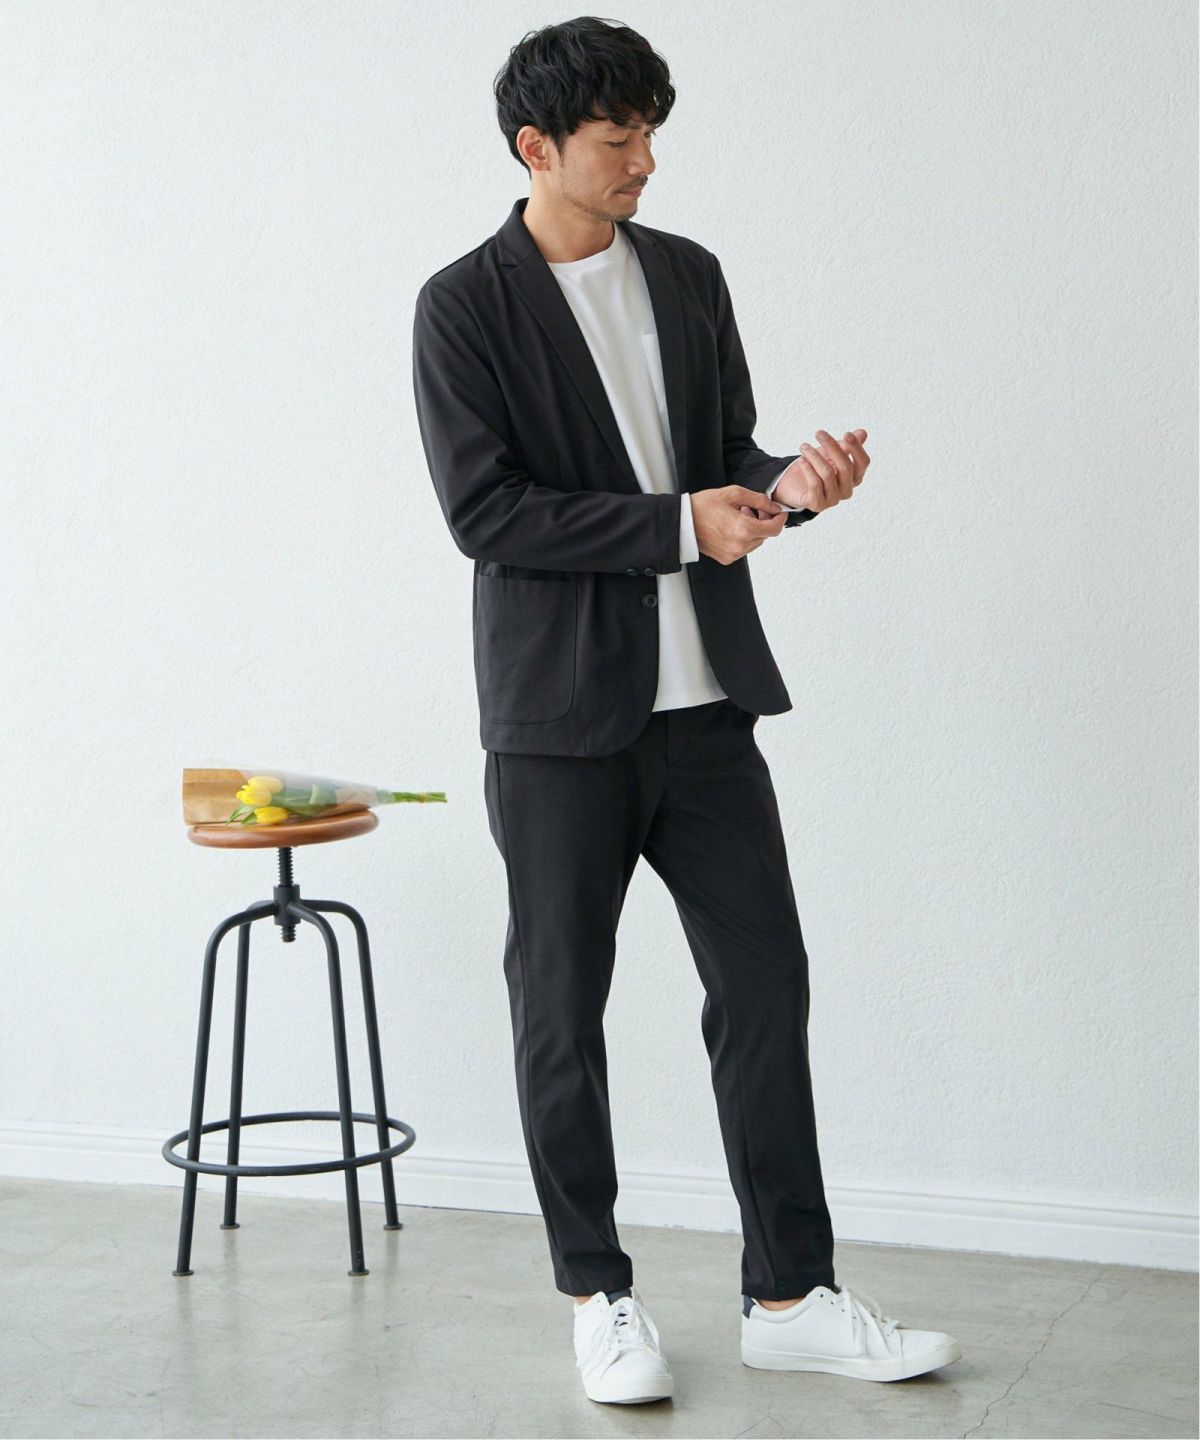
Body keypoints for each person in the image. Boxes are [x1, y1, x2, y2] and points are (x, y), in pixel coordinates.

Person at [411, 14, 961, 1406]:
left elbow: (724, 462)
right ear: (536, 147)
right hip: (557, 724)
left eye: (652, 135)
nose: (644, 162)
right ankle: (596, 1296)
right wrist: (676, 525)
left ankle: (790, 1294)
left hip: (707, 705)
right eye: (617, 139)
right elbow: (487, 512)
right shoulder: (462, 306)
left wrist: (791, 488)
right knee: (560, 1008)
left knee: (765, 986)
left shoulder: (690, 275)